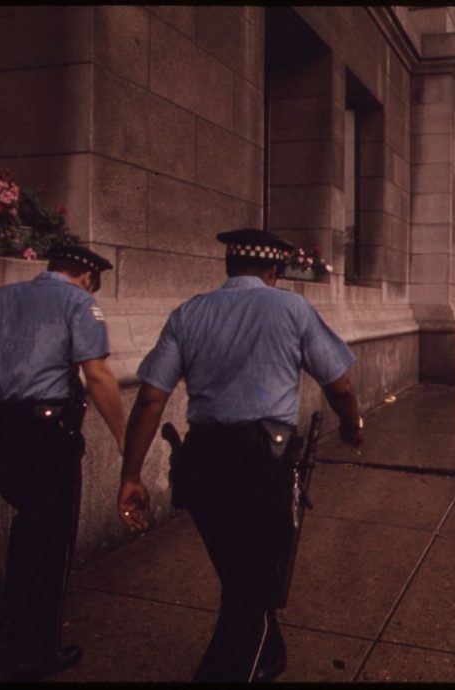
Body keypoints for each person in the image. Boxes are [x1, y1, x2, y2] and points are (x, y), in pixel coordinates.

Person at [117, 228, 364, 683]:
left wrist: (130, 474)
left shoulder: (189, 312)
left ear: (229, 266)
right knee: (251, 588)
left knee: (240, 575)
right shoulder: (291, 307)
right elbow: (342, 385)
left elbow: (151, 398)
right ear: (273, 270)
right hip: (262, 464)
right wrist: (352, 426)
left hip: (203, 462)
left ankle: (270, 655)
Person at [0, 244, 126, 679]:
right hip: (45, 435)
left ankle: (11, 625)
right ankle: (36, 650)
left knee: (30, 525)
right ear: (87, 275)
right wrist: (127, 439)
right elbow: (99, 375)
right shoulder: (79, 302)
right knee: (51, 540)